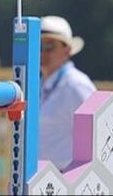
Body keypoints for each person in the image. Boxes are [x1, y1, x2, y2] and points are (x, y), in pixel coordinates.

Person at [38, 15, 96, 169]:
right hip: (42, 178)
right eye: (38, 46)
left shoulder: (76, 85)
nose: (42, 52)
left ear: (67, 50)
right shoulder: (38, 85)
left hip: (67, 179)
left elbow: (98, 137)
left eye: (49, 46)